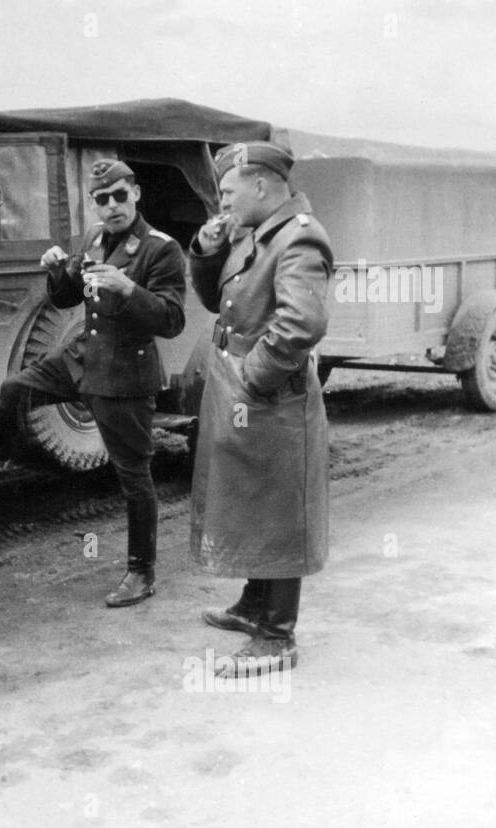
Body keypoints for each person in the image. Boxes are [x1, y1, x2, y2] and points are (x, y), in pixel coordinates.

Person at [0, 159, 186, 607]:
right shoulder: (96, 239)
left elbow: (172, 320)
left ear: (136, 193)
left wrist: (127, 288)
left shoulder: (161, 250)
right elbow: (66, 298)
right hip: (80, 359)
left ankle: (142, 573)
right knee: (14, 389)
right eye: (102, 198)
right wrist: (58, 271)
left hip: (124, 375)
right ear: (93, 202)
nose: (112, 205)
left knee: (133, 476)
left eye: (120, 195)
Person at [188, 141, 334, 675]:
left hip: (271, 394)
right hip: (246, 389)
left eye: (228, 192)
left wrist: (254, 377)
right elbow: (217, 301)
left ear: (262, 186)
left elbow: (301, 323)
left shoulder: (299, 238)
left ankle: (277, 637)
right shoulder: (255, 233)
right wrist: (205, 252)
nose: (223, 203)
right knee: (254, 498)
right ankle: (255, 605)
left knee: (278, 506)